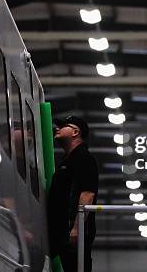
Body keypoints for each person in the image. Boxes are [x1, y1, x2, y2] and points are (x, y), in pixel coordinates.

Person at [48, 115, 99, 272]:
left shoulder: (84, 158)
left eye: (63, 126)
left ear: (75, 132)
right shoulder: (67, 160)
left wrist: (77, 228)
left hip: (72, 235)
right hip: (63, 234)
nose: (57, 128)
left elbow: (87, 194)